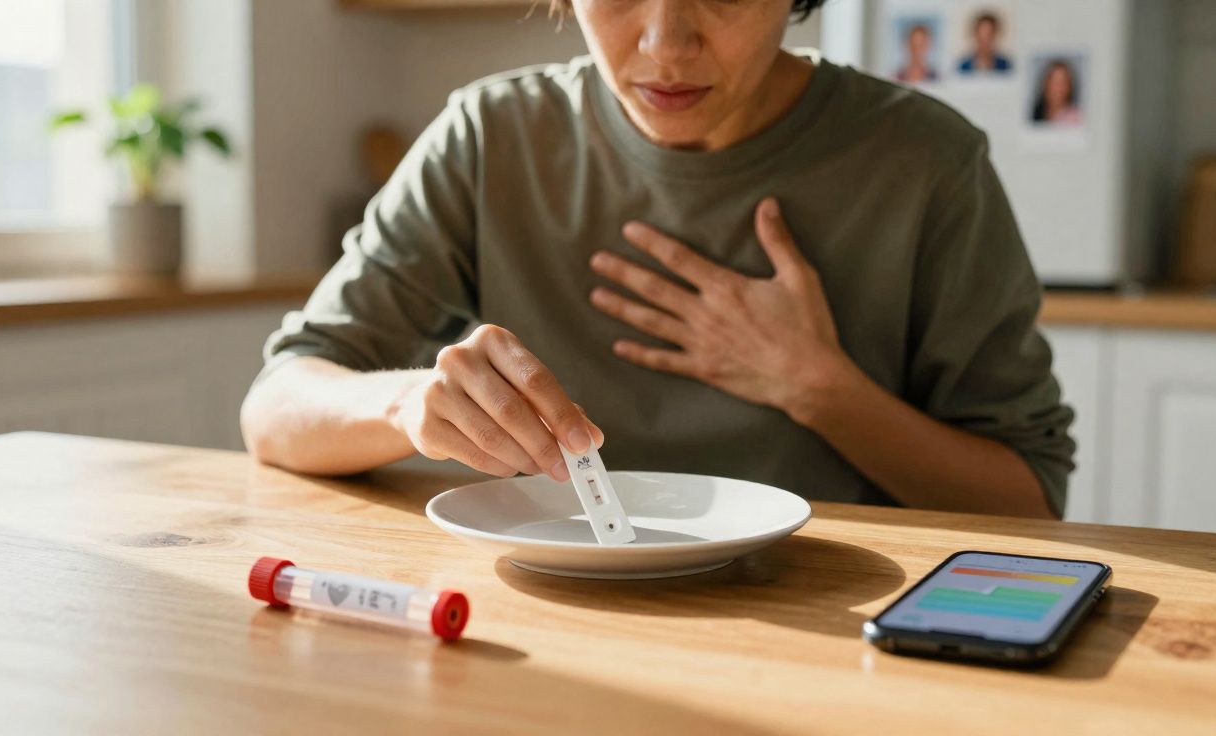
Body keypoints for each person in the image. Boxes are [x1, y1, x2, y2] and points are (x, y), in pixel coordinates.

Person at [241, 0, 1075, 520]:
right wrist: (408, 405)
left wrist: (817, 387)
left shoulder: (926, 161)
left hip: (828, 624)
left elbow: (1030, 502)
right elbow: (276, 407)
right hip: (543, 622)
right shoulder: (491, 137)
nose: (666, 44)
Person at [1032, 59, 1083, 125]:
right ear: (1045, 84)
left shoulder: (1077, 119)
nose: (1056, 88)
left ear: (1069, 87)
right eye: (1053, 82)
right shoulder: (1034, 115)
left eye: (1061, 83)